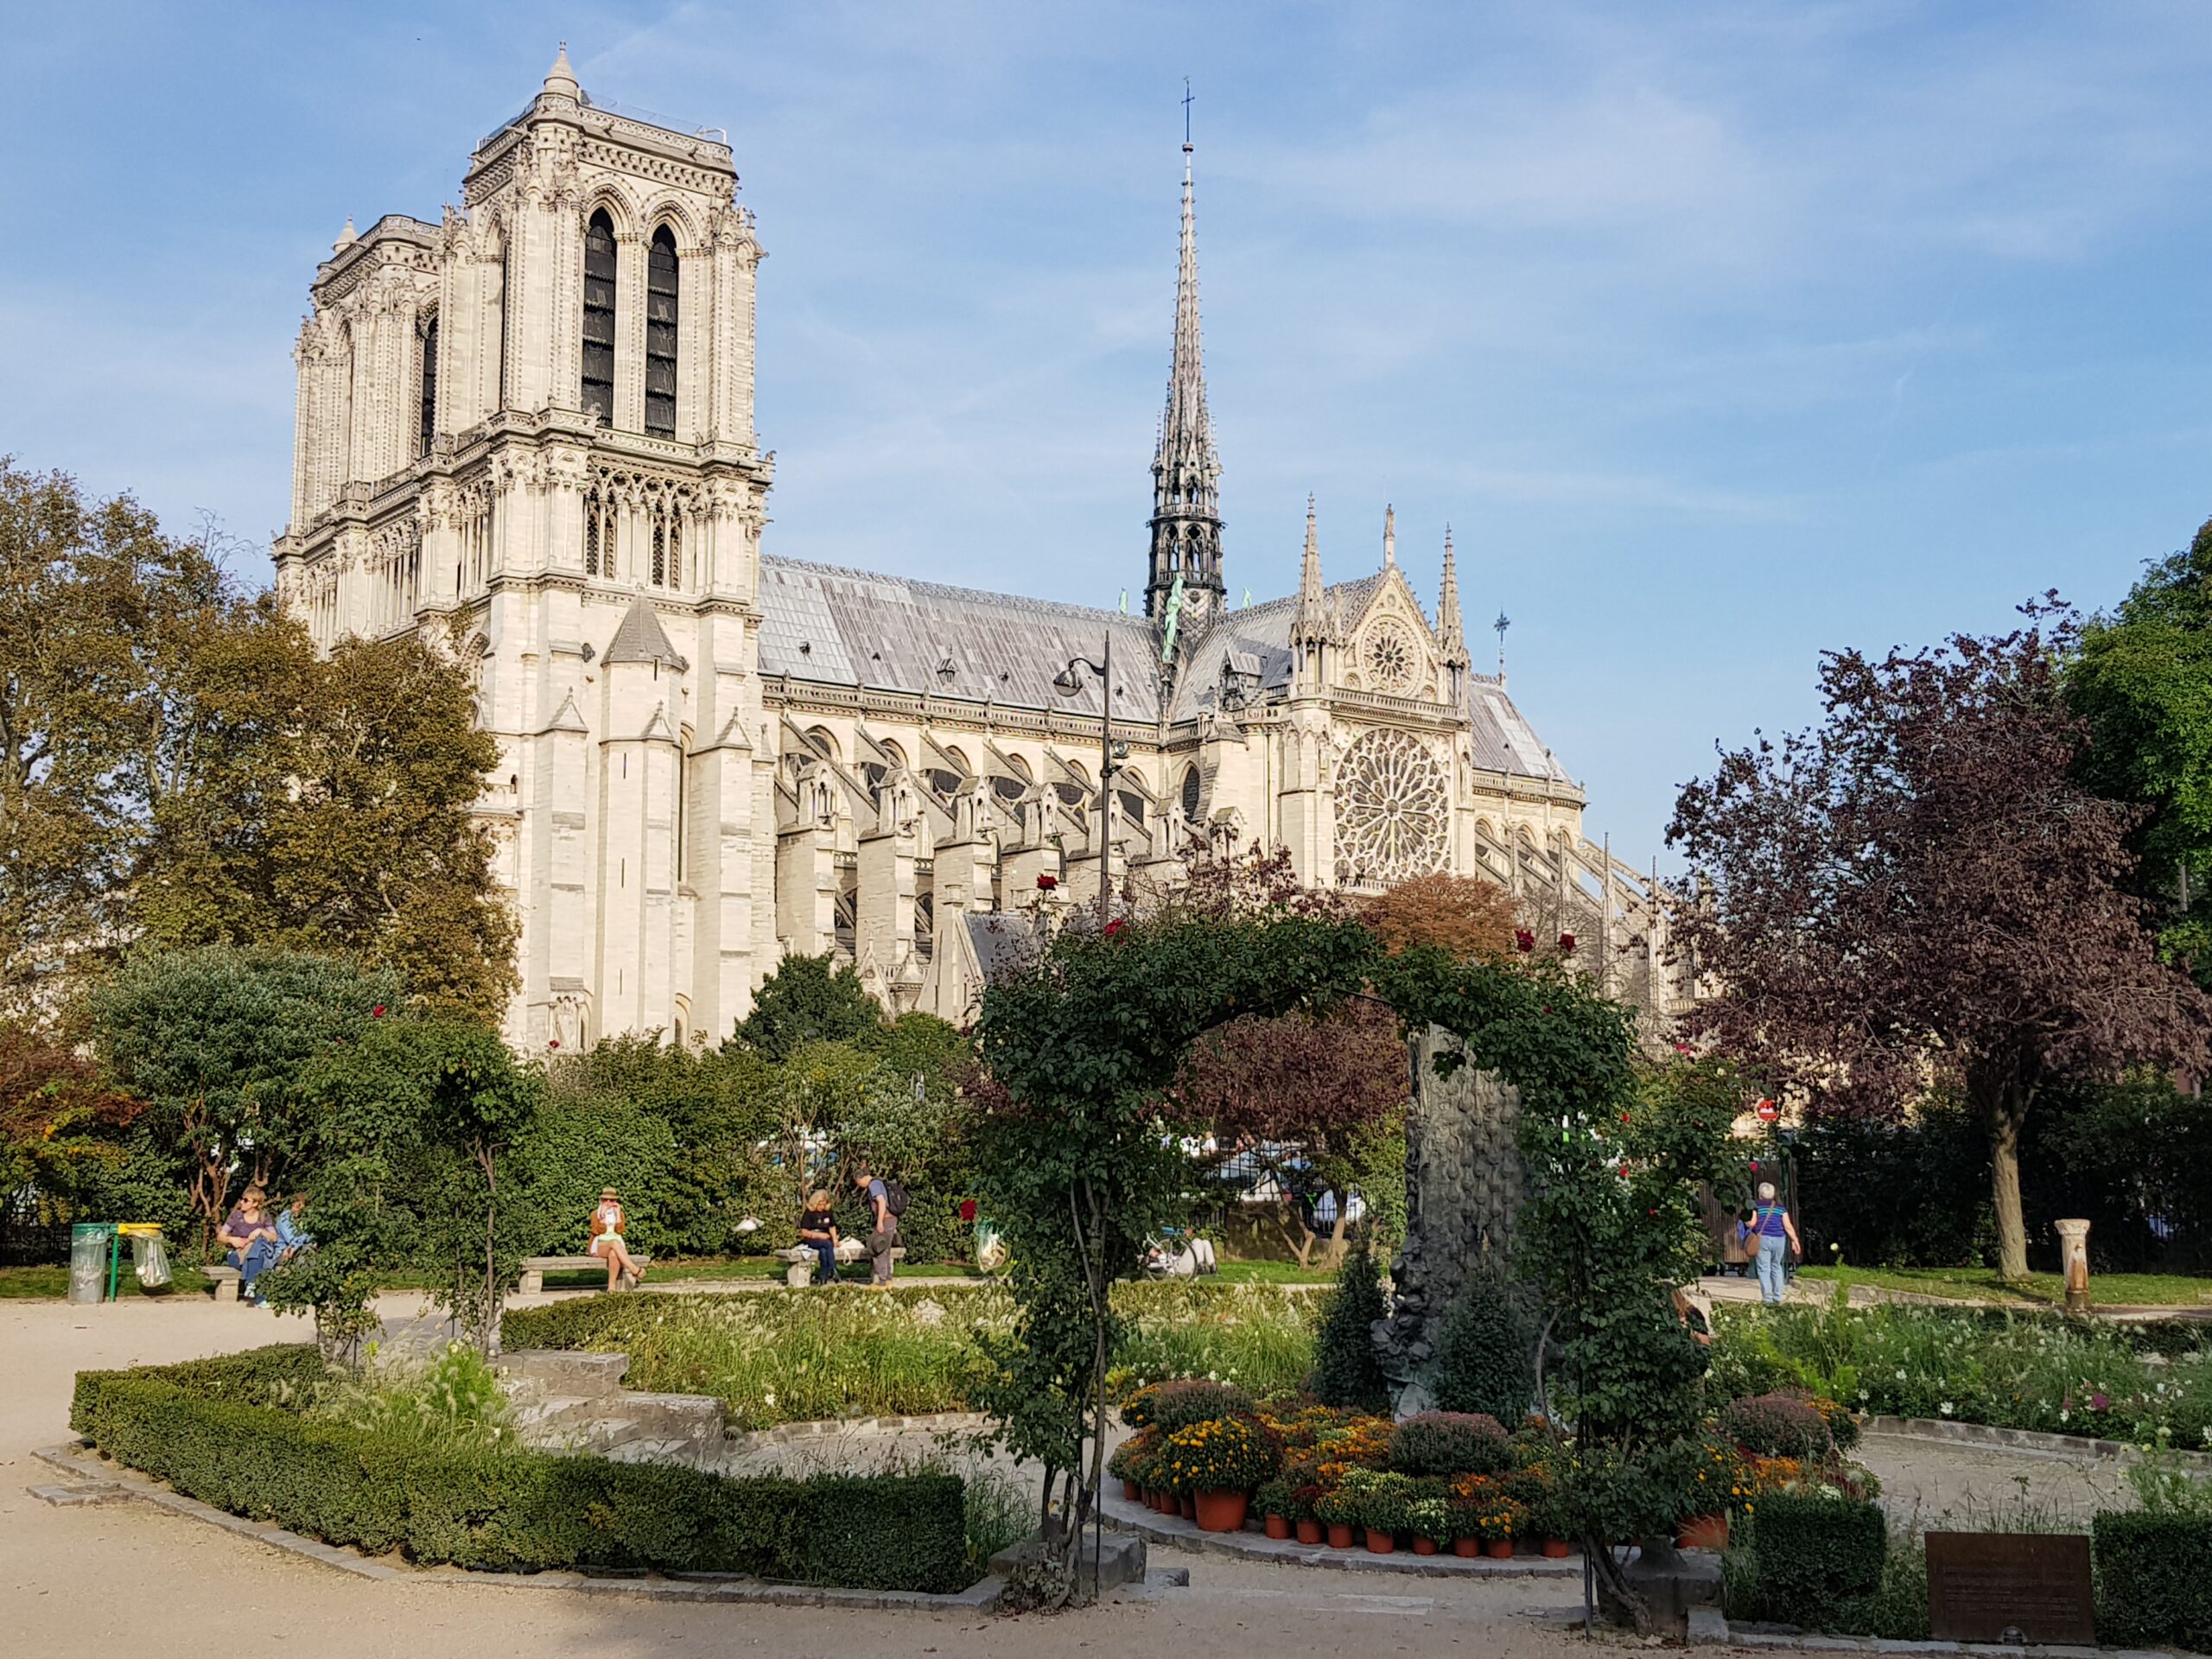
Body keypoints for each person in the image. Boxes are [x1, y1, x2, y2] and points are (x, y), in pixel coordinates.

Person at [1737, 1182, 1801, 1305]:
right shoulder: (1781, 1208)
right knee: (1777, 1267)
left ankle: (1767, 1299)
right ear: (1773, 1194)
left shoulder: (1756, 1206)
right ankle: (1778, 1297)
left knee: (1764, 1269)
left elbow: (1753, 1223)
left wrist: (1745, 1222)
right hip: (1779, 1239)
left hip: (1763, 1239)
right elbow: (1788, 1226)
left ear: (1760, 1194)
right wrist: (1795, 1240)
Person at [217, 1186, 283, 1304]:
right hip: (237, 1255)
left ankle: (251, 1284)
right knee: (260, 1253)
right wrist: (231, 1239)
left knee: (260, 1244)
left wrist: (260, 1231)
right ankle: (260, 1297)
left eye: (246, 1200)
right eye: (242, 1199)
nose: (242, 1202)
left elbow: (274, 1237)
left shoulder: (264, 1217)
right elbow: (220, 1237)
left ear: (256, 1203)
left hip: (255, 1256)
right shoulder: (236, 1216)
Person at [588, 1187, 645, 1292]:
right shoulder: (595, 1213)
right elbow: (597, 1231)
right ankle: (633, 1269)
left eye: (612, 1200)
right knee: (614, 1243)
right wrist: (602, 1217)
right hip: (599, 1244)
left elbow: (620, 1231)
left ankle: (611, 1288)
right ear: (601, 1200)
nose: (609, 1203)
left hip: (616, 1246)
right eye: (605, 1200)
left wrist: (618, 1214)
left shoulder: (619, 1213)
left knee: (613, 1254)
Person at [851, 1163, 898, 1287]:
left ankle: (882, 1281)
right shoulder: (878, 1182)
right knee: (885, 1249)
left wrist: (879, 1222)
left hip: (885, 1219)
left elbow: (881, 1202)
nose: (859, 1186)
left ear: (861, 1179)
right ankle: (888, 1279)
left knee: (878, 1249)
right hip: (890, 1219)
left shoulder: (873, 1186)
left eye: (858, 1183)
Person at [797, 1188, 839, 1286]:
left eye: (824, 1204)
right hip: (812, 1237)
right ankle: (833, 1269)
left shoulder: (827, 1212)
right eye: (820, 1204)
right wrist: (817, 1235)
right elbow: (804, 1232)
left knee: (824, 1251)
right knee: (827, 1244)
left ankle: (823, 1278)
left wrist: (835, 1239)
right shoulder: (809, 1213)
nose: (822, 1206)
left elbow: (832, 1226)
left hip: (826, 1237)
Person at [275, 1196, 315, 1263]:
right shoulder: (284, 1218)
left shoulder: (305, 1219)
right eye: (294, 1206)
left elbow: (312, 1236)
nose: (296, 1209)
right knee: (305, 1250)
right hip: (281, 1253)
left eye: (299, 1207)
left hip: (294, 1248)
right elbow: (292, 1239)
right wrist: (308, 1239)